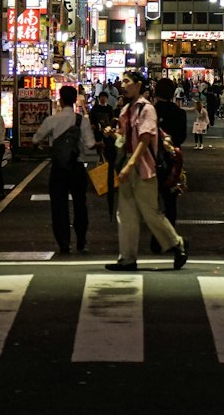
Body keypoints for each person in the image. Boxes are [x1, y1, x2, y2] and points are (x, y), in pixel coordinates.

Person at [105, 70, 187, 272]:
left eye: (127, 82)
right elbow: (125, 138)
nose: (123, 85)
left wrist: (131, 164)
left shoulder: (147, 109)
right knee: (126, 215)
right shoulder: (127, 109)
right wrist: (112, 133)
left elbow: (145, 139)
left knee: (150, 213)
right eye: (122, 81)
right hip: (127, 167)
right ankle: (127, 258)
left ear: (139, 85)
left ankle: (177, 244)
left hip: (143, 168)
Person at [34, 84, 96, 254]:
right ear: (75, 100)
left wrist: (45, 146)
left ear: (60, 100)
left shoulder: (52, 120)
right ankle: (81, 241)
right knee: (80, 204)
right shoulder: (81, 121)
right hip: (76, 166)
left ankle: (63, 242)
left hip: (58, 168)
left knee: (58, 206)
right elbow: (90, 144)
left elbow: (36, 139)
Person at [153, 78, 188, 235]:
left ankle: (157, 234)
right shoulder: (179, 113)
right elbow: (181, 138)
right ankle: (170, 232)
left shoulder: (149, 111)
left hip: (150, 160)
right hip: (173, 160)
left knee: (151, 200)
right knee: (170, 199)